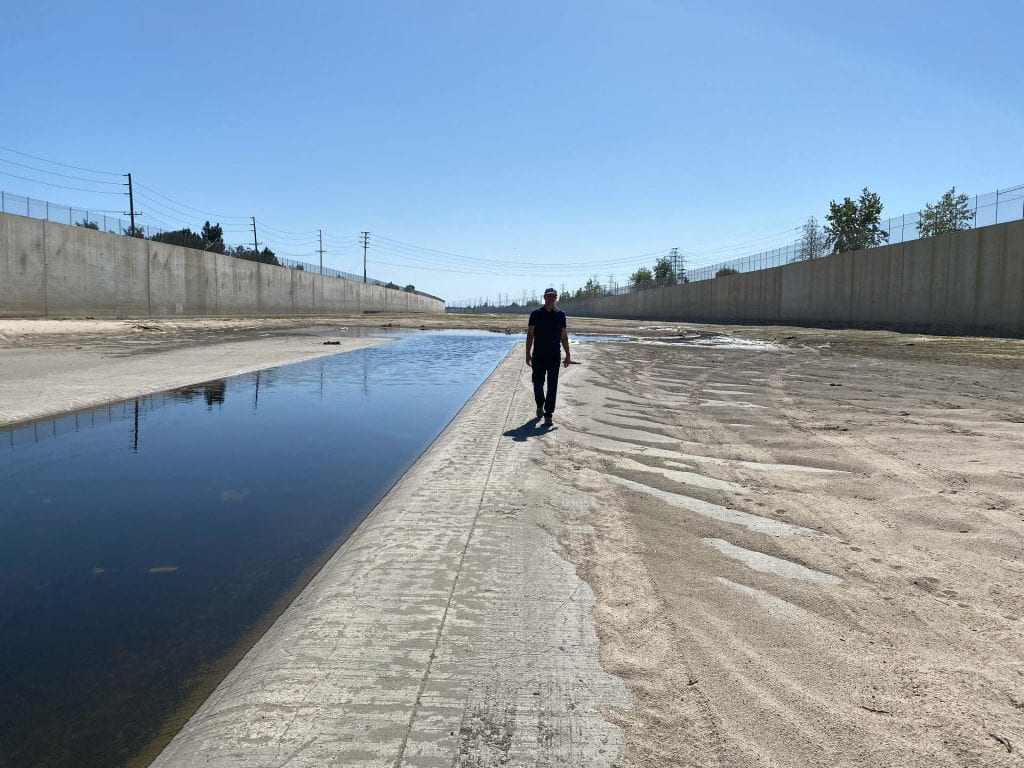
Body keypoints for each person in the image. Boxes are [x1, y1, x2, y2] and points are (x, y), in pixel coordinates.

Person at [526, 288, 570, 425]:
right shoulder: (535, 314)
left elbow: (563, 335)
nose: (551, 298)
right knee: (538, 384)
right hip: (538, 355)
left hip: (554, 355)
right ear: (544, 297)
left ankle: (548, 414)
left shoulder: (560, 315)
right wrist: (527, 353)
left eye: (553, 296)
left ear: (556, 298)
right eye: (548, 296)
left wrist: (568, 354)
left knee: (552, 385)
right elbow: (530, 335)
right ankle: (540, 404)